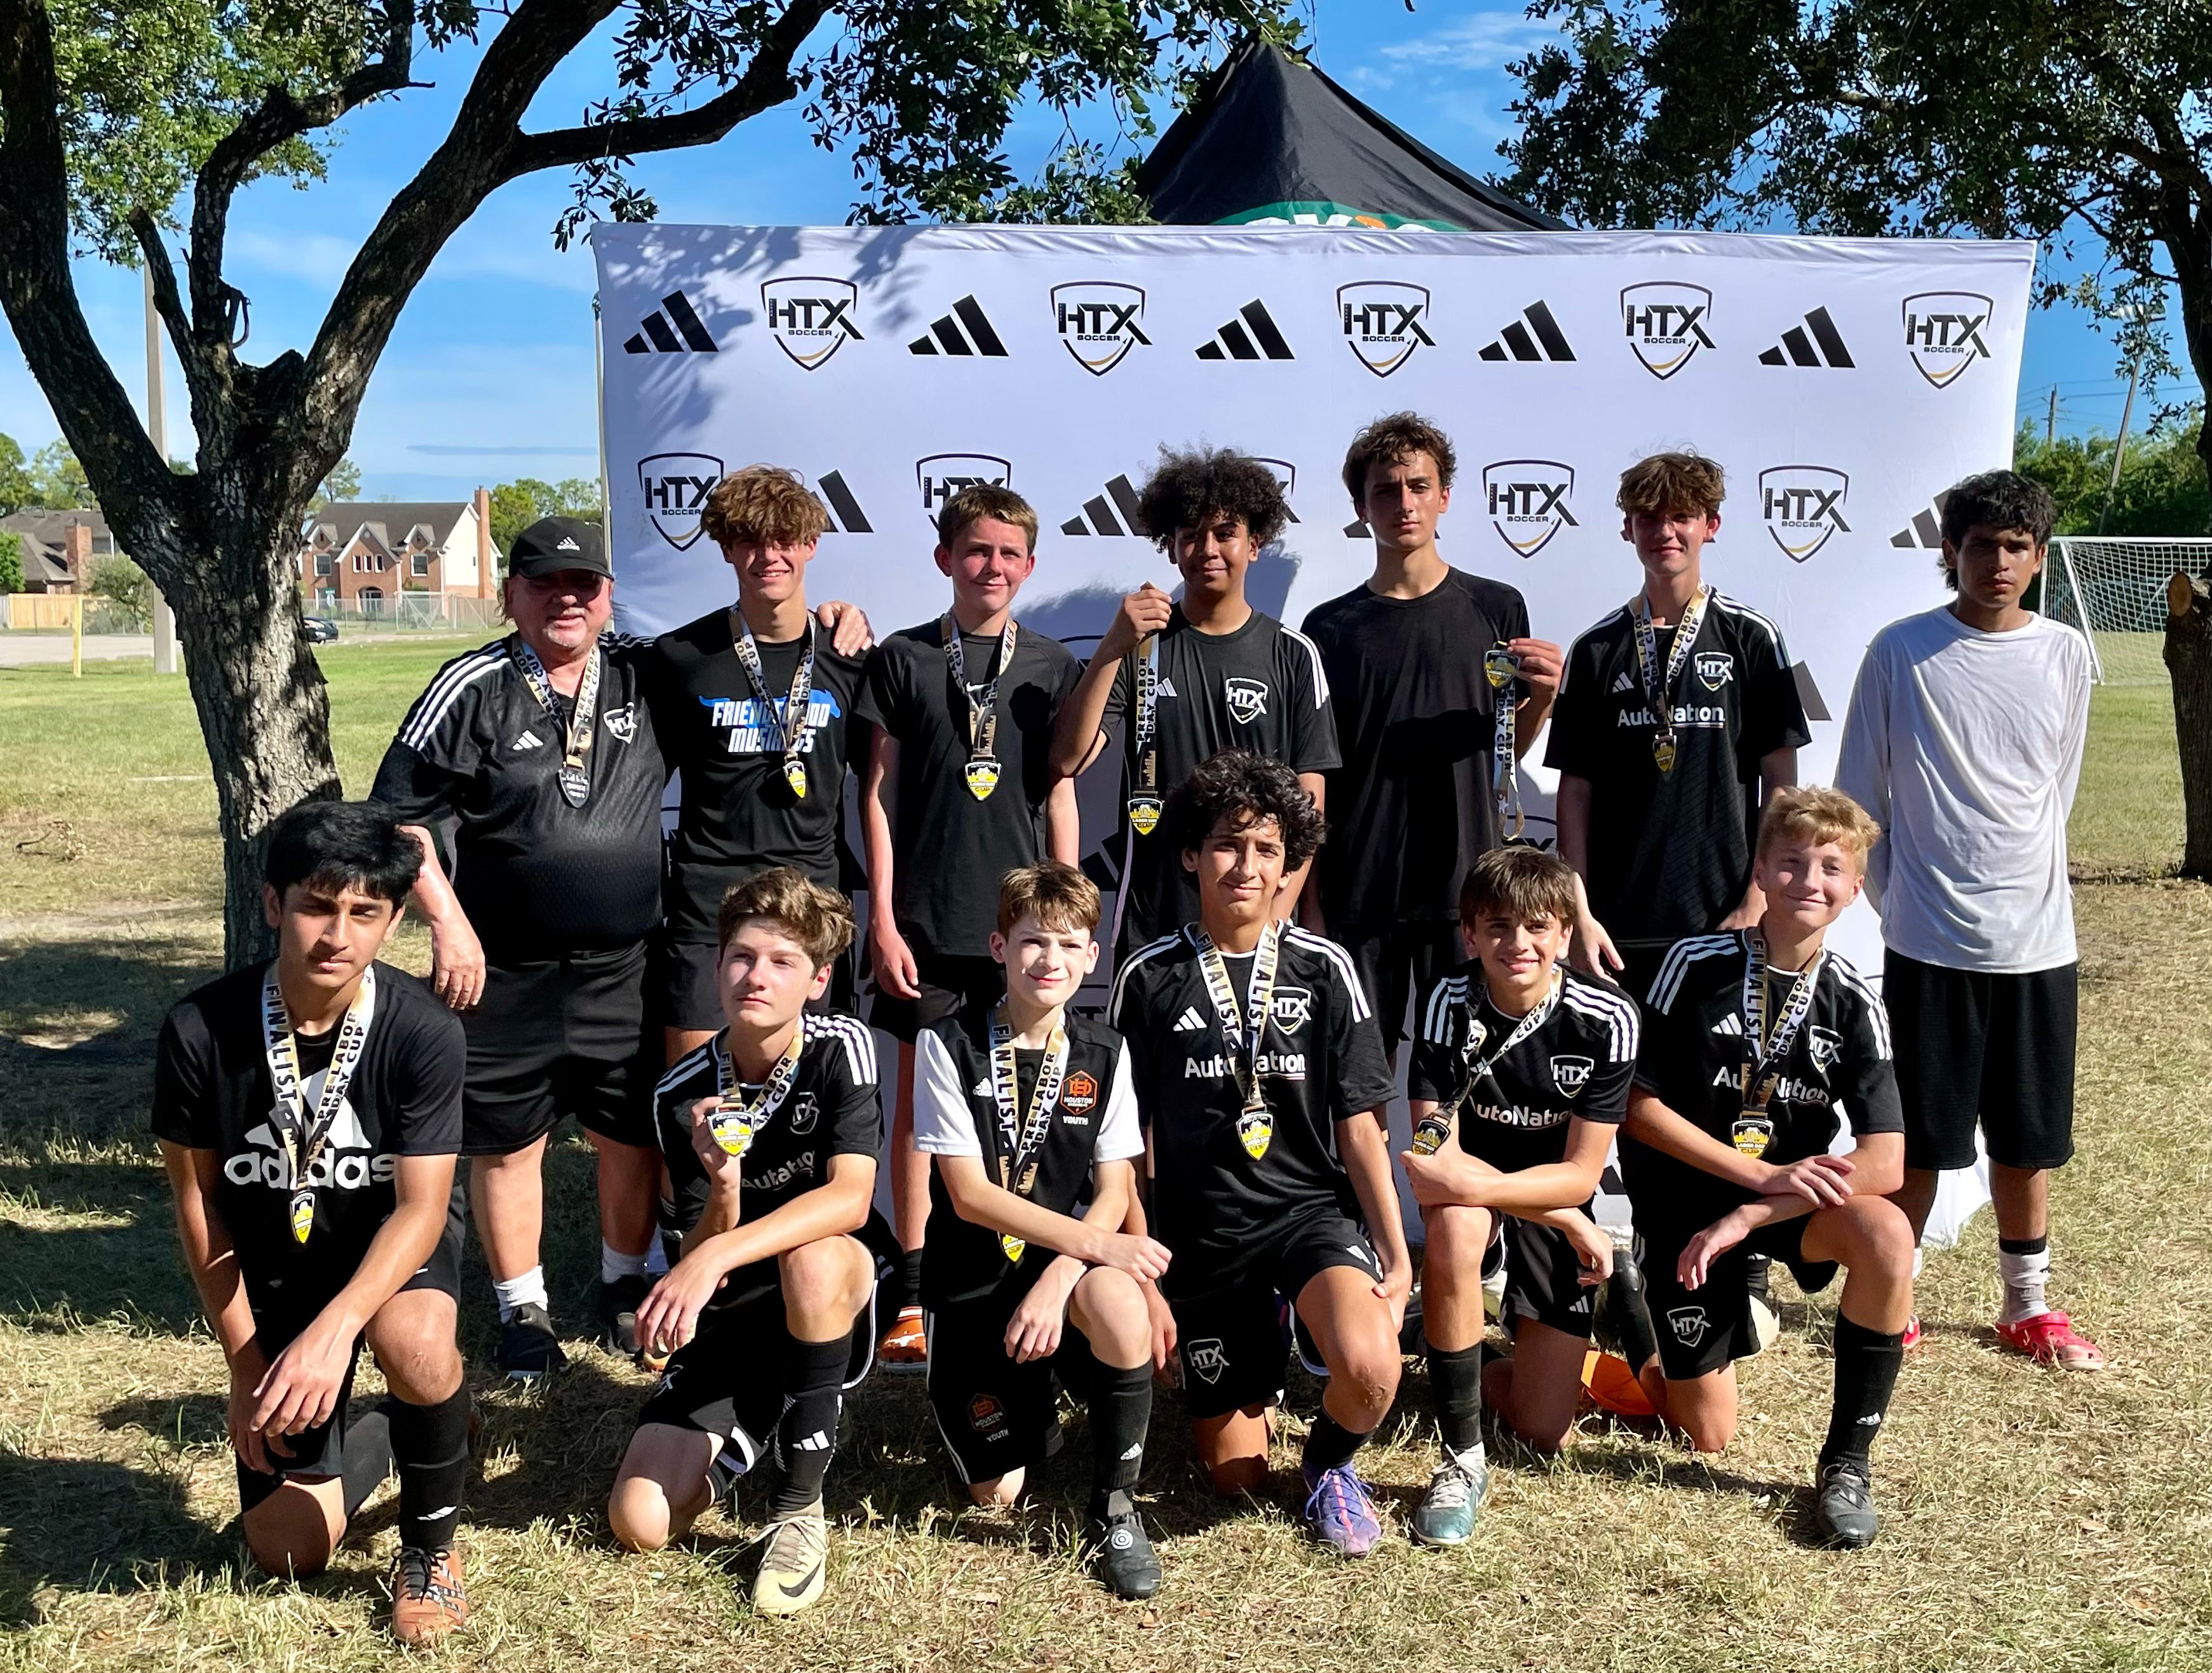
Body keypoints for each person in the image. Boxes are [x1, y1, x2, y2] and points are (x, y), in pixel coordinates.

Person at [151, 802, 472, 1644]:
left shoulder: (424, 1031)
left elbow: (422, 1207)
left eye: (365, 912)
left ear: (394, 921)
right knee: (286, 1552)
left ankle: (430, 1551)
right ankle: (408, 1425)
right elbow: (200, 1202)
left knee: (416, 1347)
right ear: (271, 903)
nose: (338, 934)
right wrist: (246, 1364)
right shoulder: (197, 1029)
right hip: (277, 1261)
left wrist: (335, 1331)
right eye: (316, 906)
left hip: (389, 1249)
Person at [372, 516, 664, 1380]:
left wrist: (834, 617)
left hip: (625, 965)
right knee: (509, 1142)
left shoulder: (649, 672)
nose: (566, 599)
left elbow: (747, 652)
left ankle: (622, 1280)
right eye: (545, 584)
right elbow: (401, 815)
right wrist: (447, 921)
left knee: (628, 1134)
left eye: (584, 584)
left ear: (608, 596)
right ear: (510, 596)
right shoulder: (471, 684)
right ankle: (522, 1308)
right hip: (500, 966)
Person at [1108, 751, 1406, 1556]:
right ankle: (1261, 1342)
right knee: (1234, 1477)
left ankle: (1329, 1465)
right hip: (1203, 1236)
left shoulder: (1324, 967)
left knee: (1372, 1370)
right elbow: (1125, 1142)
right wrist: (1145, 1271)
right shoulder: (1148, 975)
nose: (1245, 866)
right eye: (1227, 845)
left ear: (1287, 866)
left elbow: (1360, 1126)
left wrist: (1393, 1255)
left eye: (1266, 849)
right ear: (1190, 854)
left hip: (1306, 1220)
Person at [1835, 470, 2101, 1367]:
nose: (1998, 562)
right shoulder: (1899, 651)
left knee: (2026, 1139)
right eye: (1980, 544)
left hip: (2037, 942)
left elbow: (2054, 791)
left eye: (2016, 546)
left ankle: (2026, 1305)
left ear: (2038, 557)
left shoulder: (2065, 653)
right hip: (1928, 941)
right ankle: (1893, 1296)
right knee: (1919, 1140)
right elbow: (1858, 799)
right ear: (1949, 551)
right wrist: (1909, 904)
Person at [1621, 787, 1913, 1548]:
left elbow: (1885, 1159)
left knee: (1886, 1235)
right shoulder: (1693, 964)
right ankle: (1633, 1314)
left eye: (1829, 868)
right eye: (1790, 863)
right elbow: (1636, 1109)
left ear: (1855, 890)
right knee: (1704, 1434)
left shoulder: (1853, 1000)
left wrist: (1756, 1207)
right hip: (1688, 1208)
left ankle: (1845, 1465)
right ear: (1758, 872)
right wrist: (1752, 1179)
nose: (1808, 881)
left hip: (1780, 1207)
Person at [607, 868, 889, 1618]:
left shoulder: (841, 1048)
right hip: (737, 1315)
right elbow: (694, 1250)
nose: (755, 977)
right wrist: (723, 1193)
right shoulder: (680, 1093)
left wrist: (715, 1254)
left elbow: (850, 1200)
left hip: (831, 1285)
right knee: (639, 1522)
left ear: (818, 981)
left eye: (782, 962)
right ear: (717, 966)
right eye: (741, 956)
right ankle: (760, 1425)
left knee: (812, 1257)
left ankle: (798, 1507)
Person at [858, 484, 1082, 1369]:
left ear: (1030, 565)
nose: (992, 566)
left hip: (1021, 929)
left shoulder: (1053, 664)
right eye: (977, 550)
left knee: (1029, 1105)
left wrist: (1064, 909)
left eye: (1008, 553)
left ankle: (1015, 1277)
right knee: (921, 1115)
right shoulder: (903, 657)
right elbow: (876, 796)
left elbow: (1058, 790)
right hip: (926, 924)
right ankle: (914, 1294)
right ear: (945, 557)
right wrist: (881, 917)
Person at [912, 862, 1167, 1599]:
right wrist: (1094, 1245)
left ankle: (1114, 1509)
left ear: (1091, 956)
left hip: (1059, 1279)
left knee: (1117, 1300)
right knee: (998, 1495)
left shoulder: (1106, 1051)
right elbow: (968, 1196)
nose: (1048, 959)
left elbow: (1115, 1189)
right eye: (1031, 941)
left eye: (1066, 944)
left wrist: (1061, 1276)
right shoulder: (946, 1043)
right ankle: (1034, 1404)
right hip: (971, 1287)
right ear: (999, 947)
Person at [1301, 413, 1563, 1053]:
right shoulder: (1328, 628)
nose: (1404, 503)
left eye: (1418, 486)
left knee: (1468, 1078)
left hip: (1467, 893)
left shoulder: (1496, 607)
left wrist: (1544, 699)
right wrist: (1311, 902)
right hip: (1361, 894)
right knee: (1356, 1085)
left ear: (1444, 496)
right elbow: (1314, 778)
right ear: (1361, 508)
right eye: (1385, 490)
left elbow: (1503, 754)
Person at [1397, 846, 1636, 1543]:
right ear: (1470, 934)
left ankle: (1452, 1338)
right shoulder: (1447, 997)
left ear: (1565, 934)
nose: (1518, 943)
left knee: (1541, 1429)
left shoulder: (1608, 1016)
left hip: (1547, 1193)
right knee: (1454, 1225)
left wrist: (1550, 1210)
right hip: (1483, 1199)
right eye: (1498, 926)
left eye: (1537, 927)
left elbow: (1581, 1174)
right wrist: (1560, 1217)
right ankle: (1461, 1459)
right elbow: (1431, 1162)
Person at [1049, 448, 1339, 953]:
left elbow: (1308, 803)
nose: (1207, 549)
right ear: (1171, 548)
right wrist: (1111, 649)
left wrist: (1274, 919)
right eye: (1191, 535)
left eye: (1225, 533)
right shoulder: (1139, 648)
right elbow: (1068, 759)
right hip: (1154, 920)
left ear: (1254, 545)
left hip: (1259, 923)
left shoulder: (1294, 654)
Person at [1546, 452, 1811, 1000]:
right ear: (1627, 529)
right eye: (1648, 518)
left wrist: (1756, 901)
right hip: (1617, 929)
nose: (1664, 532)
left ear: (1710, 526)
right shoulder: (1595, 649)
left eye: (1681, 516)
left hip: (1723, 921)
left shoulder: (1751, 637)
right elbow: (1575, 793)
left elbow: (1781, 783)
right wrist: (1579, 914)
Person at [645, 466, 875, 1065]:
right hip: (708, 909)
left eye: (784, 540)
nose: (768, 556)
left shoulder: (851, 656)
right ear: (726, 549)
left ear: (810, 545)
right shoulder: (680, 658)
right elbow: (639, 784)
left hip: (811, 905)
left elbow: (882, 791)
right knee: (696, 1097)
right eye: (749, 540)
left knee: (806, 1100)